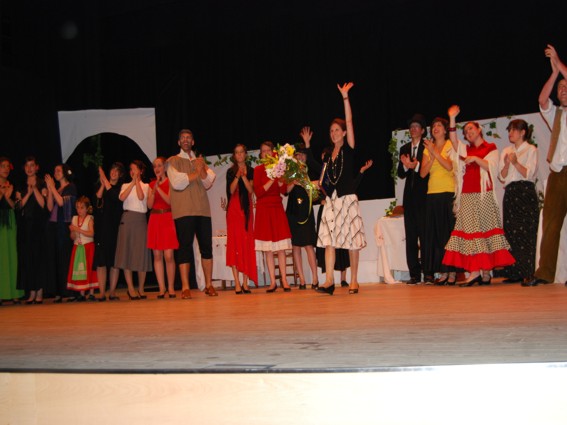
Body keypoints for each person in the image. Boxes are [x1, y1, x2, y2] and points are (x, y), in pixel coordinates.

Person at [443, 105, 515, 286]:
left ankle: (486, 272)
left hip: (484, 195)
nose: (468, 132)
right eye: (466, 131)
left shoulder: (490, 147)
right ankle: (475, 271)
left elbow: (492, 168)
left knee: (485, 232)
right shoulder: (466, 150)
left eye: (471, 129)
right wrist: (452, 118)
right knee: (471, 234)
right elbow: (453, 141)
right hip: (467, 195)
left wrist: (476, 159)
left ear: (479, 129)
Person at [317, 82, 367, 295]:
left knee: (352, 241)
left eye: (337, 130)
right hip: (332, 202)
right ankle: (329, 280)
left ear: (344, 132)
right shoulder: (328, 156)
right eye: (331, 131)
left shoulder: (349, 148)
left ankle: (354, 280)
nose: (334, 133)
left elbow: (349, 120)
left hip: (347, 199)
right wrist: (317, 186)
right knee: (329, 241)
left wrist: (345, 97)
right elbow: (325, 179)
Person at [524, 44, 567, 287]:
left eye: (566, 86)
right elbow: (542, 100)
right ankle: (545, 273)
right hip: (558, 173)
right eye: (560, 88)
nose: (563, 90)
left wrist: (558, 62)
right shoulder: (556, 114)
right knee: (550, 224)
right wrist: (554, 73)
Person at [167, 129, 217, 299]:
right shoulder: (172, 161)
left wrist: (201, 169)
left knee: (206, 248)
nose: (186, 140)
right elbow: (177, 182)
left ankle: (209, 285)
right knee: (184, 248)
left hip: (202, 210)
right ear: (178, 142)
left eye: (189, 138)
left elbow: (208, 181)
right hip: (183, 211)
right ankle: (185, 287)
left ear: (193, 142)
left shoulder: (199, 161)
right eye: (183, 138)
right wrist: (197, 172)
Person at [498, 120, 539, 285]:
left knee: (526, 232)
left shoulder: (531, 149)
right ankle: (514, 272)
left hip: (525, 192)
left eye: (514, 130)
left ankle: (528, 272)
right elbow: (502, 177)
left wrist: (515, 162)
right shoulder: (506, 151)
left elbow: (529, 174)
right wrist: (507, 164)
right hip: (510, 192)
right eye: (509, 130)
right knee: (511, 232)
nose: (510, 133)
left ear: (523, 132)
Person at [419, 117, 457, 285]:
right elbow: (423, 173)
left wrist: (434, 152)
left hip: (448, 192)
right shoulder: (427, 148)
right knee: (436, 235)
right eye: (433, 126)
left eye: (439, 125)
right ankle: (443, 270)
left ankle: (452, 271)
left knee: (449, 233)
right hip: (432, 194)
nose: (435, 128)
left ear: (445, 129)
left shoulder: (450, 145)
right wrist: (432, 154)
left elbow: (449, 166)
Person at [254, 141, 293, 292]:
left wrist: (286, 180)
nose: (266, 153)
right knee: (268, 249)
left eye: (268, 150)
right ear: (261, 154)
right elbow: (258, 192)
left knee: (281, 248)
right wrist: (272, 178)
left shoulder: (279, 168)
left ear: (273, 152)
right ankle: (272, 281)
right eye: (263, 151)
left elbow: (284, 190)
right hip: (264, 210)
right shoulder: (258, 170)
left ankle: (284, 280)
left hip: (277, 208)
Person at [397, 113, 429, 284]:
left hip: (424, 198)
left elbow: (428, 172)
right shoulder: (404, 149)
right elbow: (400, 174)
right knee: (411, 237)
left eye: (417, 126)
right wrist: (405, 165)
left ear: (423, 130)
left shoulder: (427, 147)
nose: (413, 129)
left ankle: (428, 272)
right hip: (409, 199)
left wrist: (415, 166)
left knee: (425, 236)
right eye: (411, 127)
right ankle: (414, 274)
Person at [114, 160, 152, 300]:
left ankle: (141, 288)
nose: (132, 172)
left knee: (141, 254)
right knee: (127, 254)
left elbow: (141, 197)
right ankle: (130, 288)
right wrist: (132, 183)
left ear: (141, 171)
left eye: (135, 169)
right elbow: (122, 198)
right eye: (130, 169)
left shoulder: (146, 186)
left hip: (140, 221)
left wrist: (137, 182)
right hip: (127, 219)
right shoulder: (125, 185)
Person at [285, 142, 320, 290]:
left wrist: (305, 183)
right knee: (295, 246)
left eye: (302, 154)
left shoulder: (310, 171)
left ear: (306, 156)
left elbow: (316, 192)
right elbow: (285, 191)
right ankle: (302, 280)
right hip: (293, 211)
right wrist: (294, 181)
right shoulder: (290, 171)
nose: (299, 157)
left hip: (306, 211)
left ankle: (315, 278)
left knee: (308, 245)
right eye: (297, 155)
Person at [15, 156, 48, 304]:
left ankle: (39, 292)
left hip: (38, 226)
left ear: (37, 167)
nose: (29, 168)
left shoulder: (41, 183)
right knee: (27, 258)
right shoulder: (21, 185)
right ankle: (31, 291)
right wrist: (28, 193)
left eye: (32, 165)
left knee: (39, 258)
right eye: (27, 166)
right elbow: (18, 206)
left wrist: (34, 189)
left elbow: (43, 204)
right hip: (25, 227)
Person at [225, 144, 257, 294]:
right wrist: (238, 175)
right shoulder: (230, 172)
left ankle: (245, 282)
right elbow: (231, 190)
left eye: (241, 152)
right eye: (236, 153)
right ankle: (237, 282)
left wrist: (244, 176)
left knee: (246, 243)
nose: (239, 155)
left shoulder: (251, 170)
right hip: (234, 210)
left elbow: (251, 190)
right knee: (235, 244)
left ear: (245, 154)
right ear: (234, 155)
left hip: (246, 210)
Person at [147, 156, 178, 298]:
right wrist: (154, 190)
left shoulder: (170, 182)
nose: (157, 168)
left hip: (167, 218)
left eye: (159, 165)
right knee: (157, 255)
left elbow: (169, 201)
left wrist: (158, 188)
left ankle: (171, 287)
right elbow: (149, 205)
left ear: (165, 167)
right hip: (155, 219)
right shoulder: (151, 184)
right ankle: (161, 288)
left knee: (169, 255)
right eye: (154, 166)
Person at [45, 163, 77, 302]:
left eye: (58, 170)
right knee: (55, 258)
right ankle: (58, 291)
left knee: (65, 258)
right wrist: (50, 190)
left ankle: (68, 291)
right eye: (55, 170)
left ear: (64, 172)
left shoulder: (70, 187)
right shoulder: (57, 189)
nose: (56, 173)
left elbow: (62, 203)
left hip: (64, 227)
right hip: (54, 226)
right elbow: (49, 207)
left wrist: (52, 187)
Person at [93, 163, 125, 301]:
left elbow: (114, 196)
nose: (113, 172)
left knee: (114, 262)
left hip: (115, 228)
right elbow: (97, 200)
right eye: (112, 169)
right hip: (101, 228)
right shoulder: (103, 185)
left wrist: (104, 178)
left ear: (120, 175)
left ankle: (112, 292)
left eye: (117, 171)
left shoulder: (120, 188)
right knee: (101, 261)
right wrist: (102, 183)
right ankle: (101, 292)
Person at [0, 157, 23, 305]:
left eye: (7, 166)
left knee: (12, 255)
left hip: (10, 219)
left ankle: (15, 293)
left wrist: (7, 196)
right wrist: (2, 194)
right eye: (3, 166)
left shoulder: (11, 185)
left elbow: (14, 206)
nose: (6, 169)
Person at [67, 196, 98, 300]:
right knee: (80, 269)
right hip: (77, 247)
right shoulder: (74, 219)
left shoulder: (90, 218)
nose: (79, 210)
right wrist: (72, 231)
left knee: (89, 269)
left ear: (87, 208)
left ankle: (91, 293)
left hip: (88, 247)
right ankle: (82, 293)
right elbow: (72, 237)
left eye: (81, 207)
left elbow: (91, 233)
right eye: (77, 207)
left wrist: (77, 229)